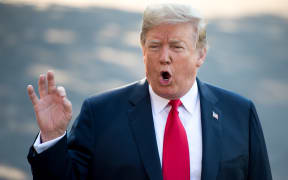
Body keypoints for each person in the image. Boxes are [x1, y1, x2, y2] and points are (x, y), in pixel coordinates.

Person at [27, 3, 272, 180]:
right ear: (143, 50)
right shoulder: (100, 114)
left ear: (200, 54)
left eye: (176, 47)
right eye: (155, 46)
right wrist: (52, 138)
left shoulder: (240, 113)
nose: (164, 57)